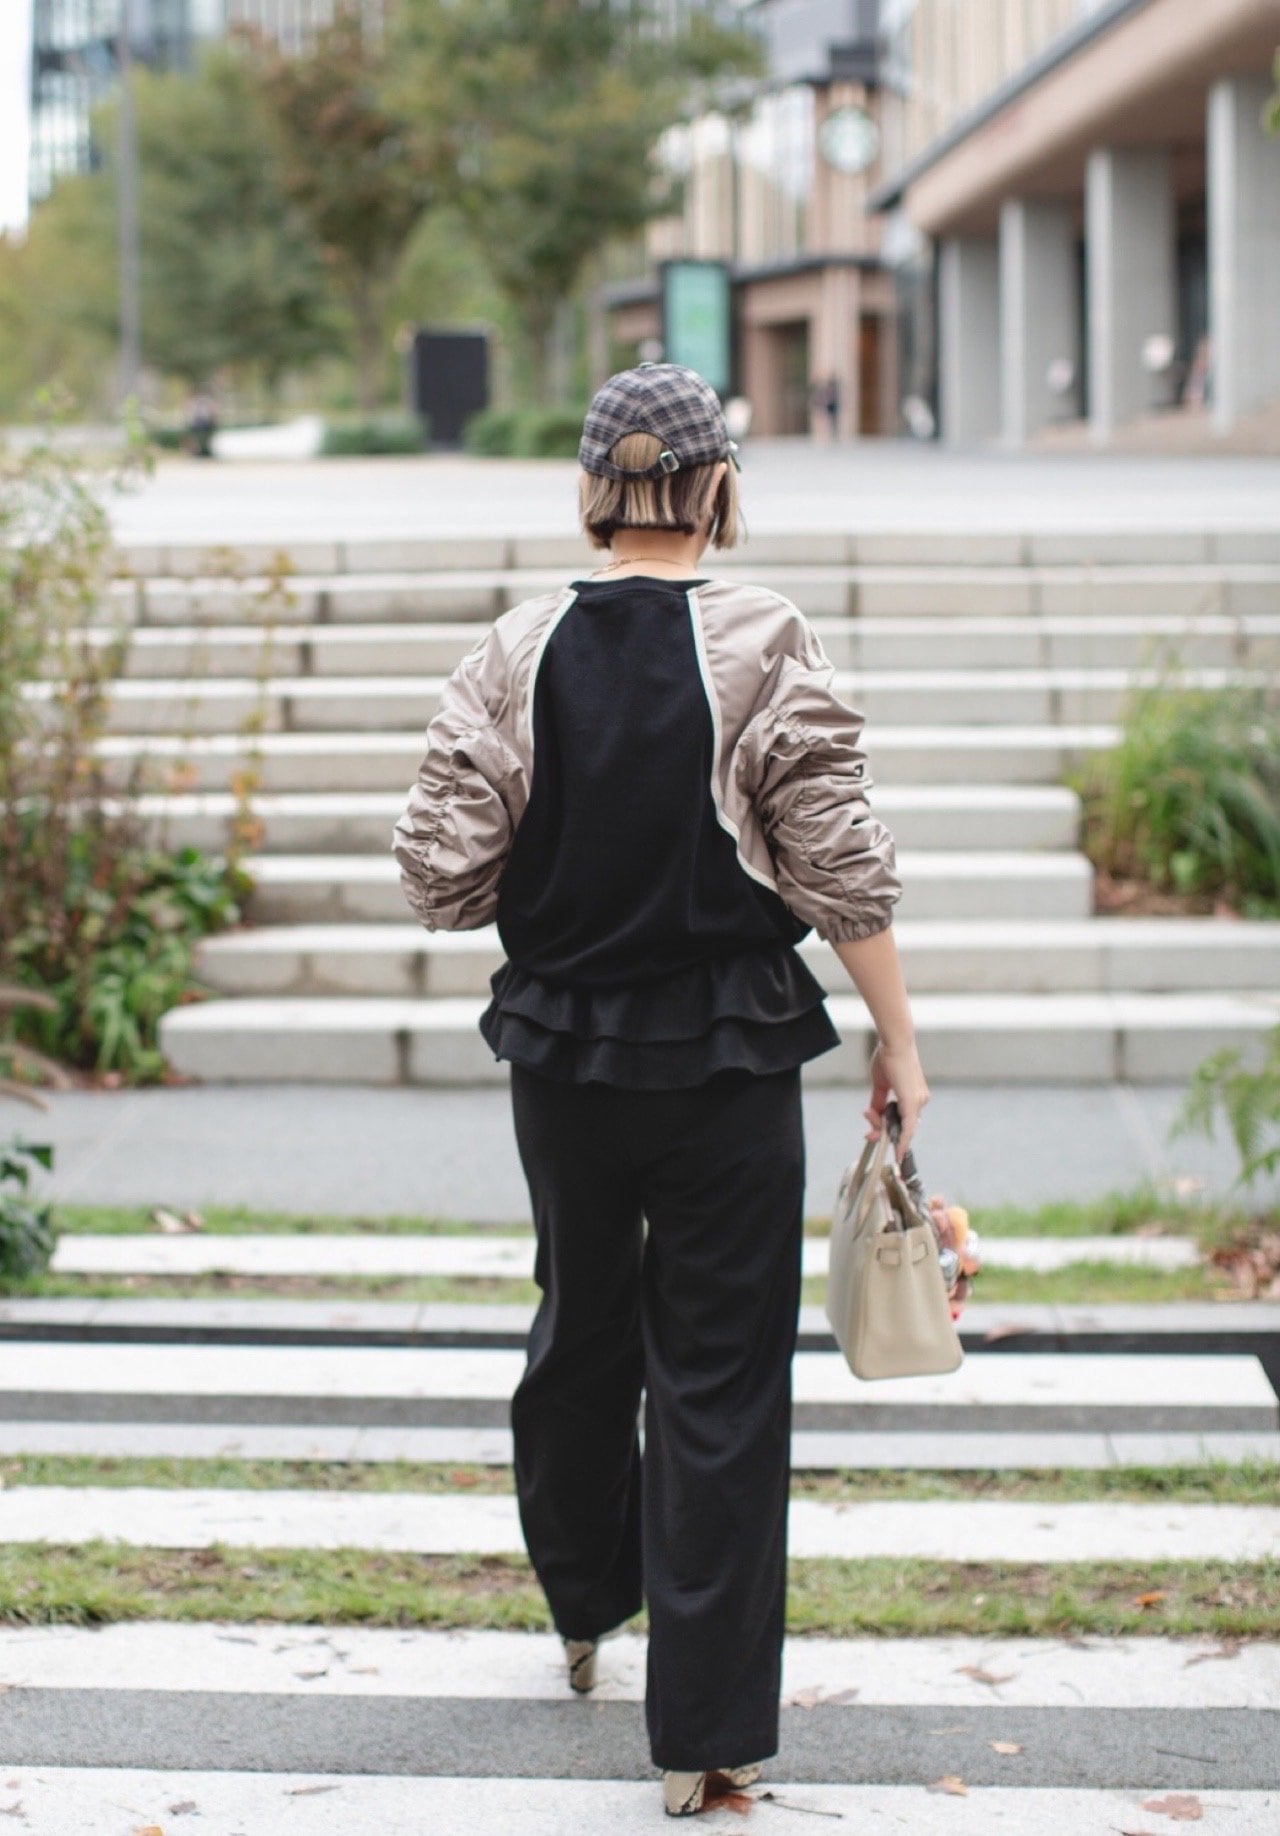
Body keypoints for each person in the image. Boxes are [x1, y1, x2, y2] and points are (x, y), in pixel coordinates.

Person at [392, 362, 929, 1818]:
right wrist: (898, 1041)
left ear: (591, 491)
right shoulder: (765, 638)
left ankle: (582, 1601)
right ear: (719, 489)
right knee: (723, 1376)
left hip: (563, 1054)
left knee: (579, 1322)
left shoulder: (515, 646)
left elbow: (441, 878)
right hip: (730, 1053)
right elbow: (837, 864)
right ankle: (710, 1739)